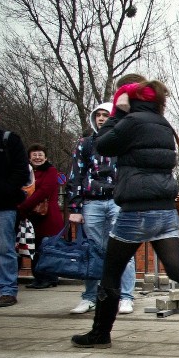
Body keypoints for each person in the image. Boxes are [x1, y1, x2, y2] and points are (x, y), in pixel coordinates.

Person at [70, 78, 179, 350]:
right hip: (165, 210)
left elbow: (103, 146)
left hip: (136, 211)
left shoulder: (131, 121)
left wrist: (118, 113)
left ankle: (100, 334)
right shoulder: (161, 123)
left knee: (110, 273)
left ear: (127, 96)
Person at [66, 101, 137, 314]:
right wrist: (75, 208)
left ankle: (125, 297)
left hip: (118, 201)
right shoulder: (86, 144)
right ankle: (90, 296)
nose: (101, 118)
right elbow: (75, 175)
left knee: (124, 249)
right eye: (98, 115)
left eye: (106, 114)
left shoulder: (124, 143)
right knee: (93, 251)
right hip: (92, 202)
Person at [0, 102, 30, 308]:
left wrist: (5, 190)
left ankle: (7, 289)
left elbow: (21, 170)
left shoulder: (9, 140)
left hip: (3, 205)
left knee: (4, 248)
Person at [18, 144, 64, 288]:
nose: (37, 157)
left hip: (48, 215)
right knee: (35, 246)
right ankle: (38, 277)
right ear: (29, 157)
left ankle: (49, 277)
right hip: (33, 217)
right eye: (34, 155)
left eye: (40, 155)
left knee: (47, 247)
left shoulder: (51, 171)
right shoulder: (27, 172)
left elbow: (44, 191)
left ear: (46, 157)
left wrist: (23, 206)